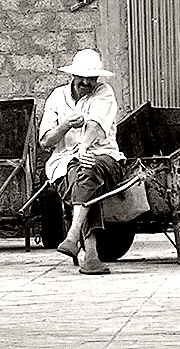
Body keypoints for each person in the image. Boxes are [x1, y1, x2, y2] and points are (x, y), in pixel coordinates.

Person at [39, 49, 126, 275]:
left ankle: (73, 234)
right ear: (73, 76)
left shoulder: (104, 92)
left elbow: (96, 125)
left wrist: (85, 148)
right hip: (63, 163)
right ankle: (91, 256)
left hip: (104, 156)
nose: (86, 82)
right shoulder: (57, 97)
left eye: (92, 78)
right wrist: (65, 124)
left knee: (89, 167)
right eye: (82, 77)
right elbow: (46, 141)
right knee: (83, 178)